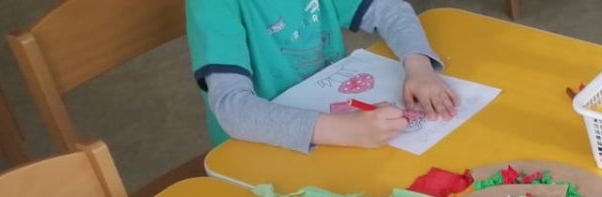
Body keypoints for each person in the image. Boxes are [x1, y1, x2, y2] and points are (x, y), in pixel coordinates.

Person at [188, 0, 457, 151]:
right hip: (258, 150)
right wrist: (345, 130)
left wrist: (418, 65)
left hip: (336, 129)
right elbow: (232, 108)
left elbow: (388, 9)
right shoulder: (213, 5)